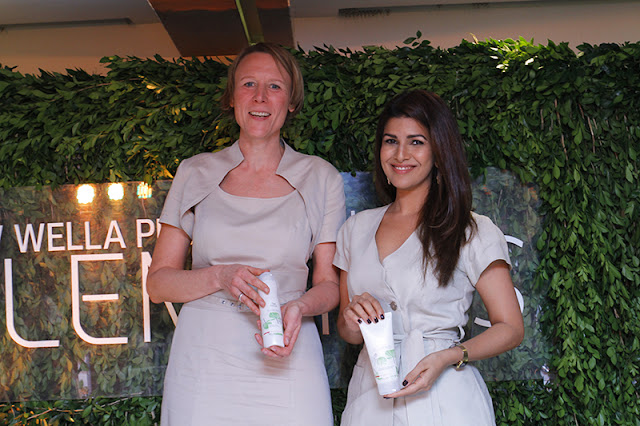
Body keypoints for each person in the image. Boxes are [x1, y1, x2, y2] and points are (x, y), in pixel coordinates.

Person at [147, 42, 345, 426]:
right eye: (249, 83)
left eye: (275, 86)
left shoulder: (321, 177)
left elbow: (329, 286)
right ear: (232, 97)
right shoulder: (195, 171)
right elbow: (158, 284)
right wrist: (220, 276)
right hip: (203, 360)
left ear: (291, 101)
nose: (260, 97)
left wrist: (299, 307)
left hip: (287, 351)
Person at [333, 90, 524, 425]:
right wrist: (350, 321)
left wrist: (449, 356)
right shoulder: (355, 229)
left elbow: (510, 327)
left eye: (416, 142)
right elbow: (349, 334)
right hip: (370, 396)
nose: (401, 154)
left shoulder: (471, 230)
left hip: (446, 397)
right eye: (391, 141)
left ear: (438, 151)